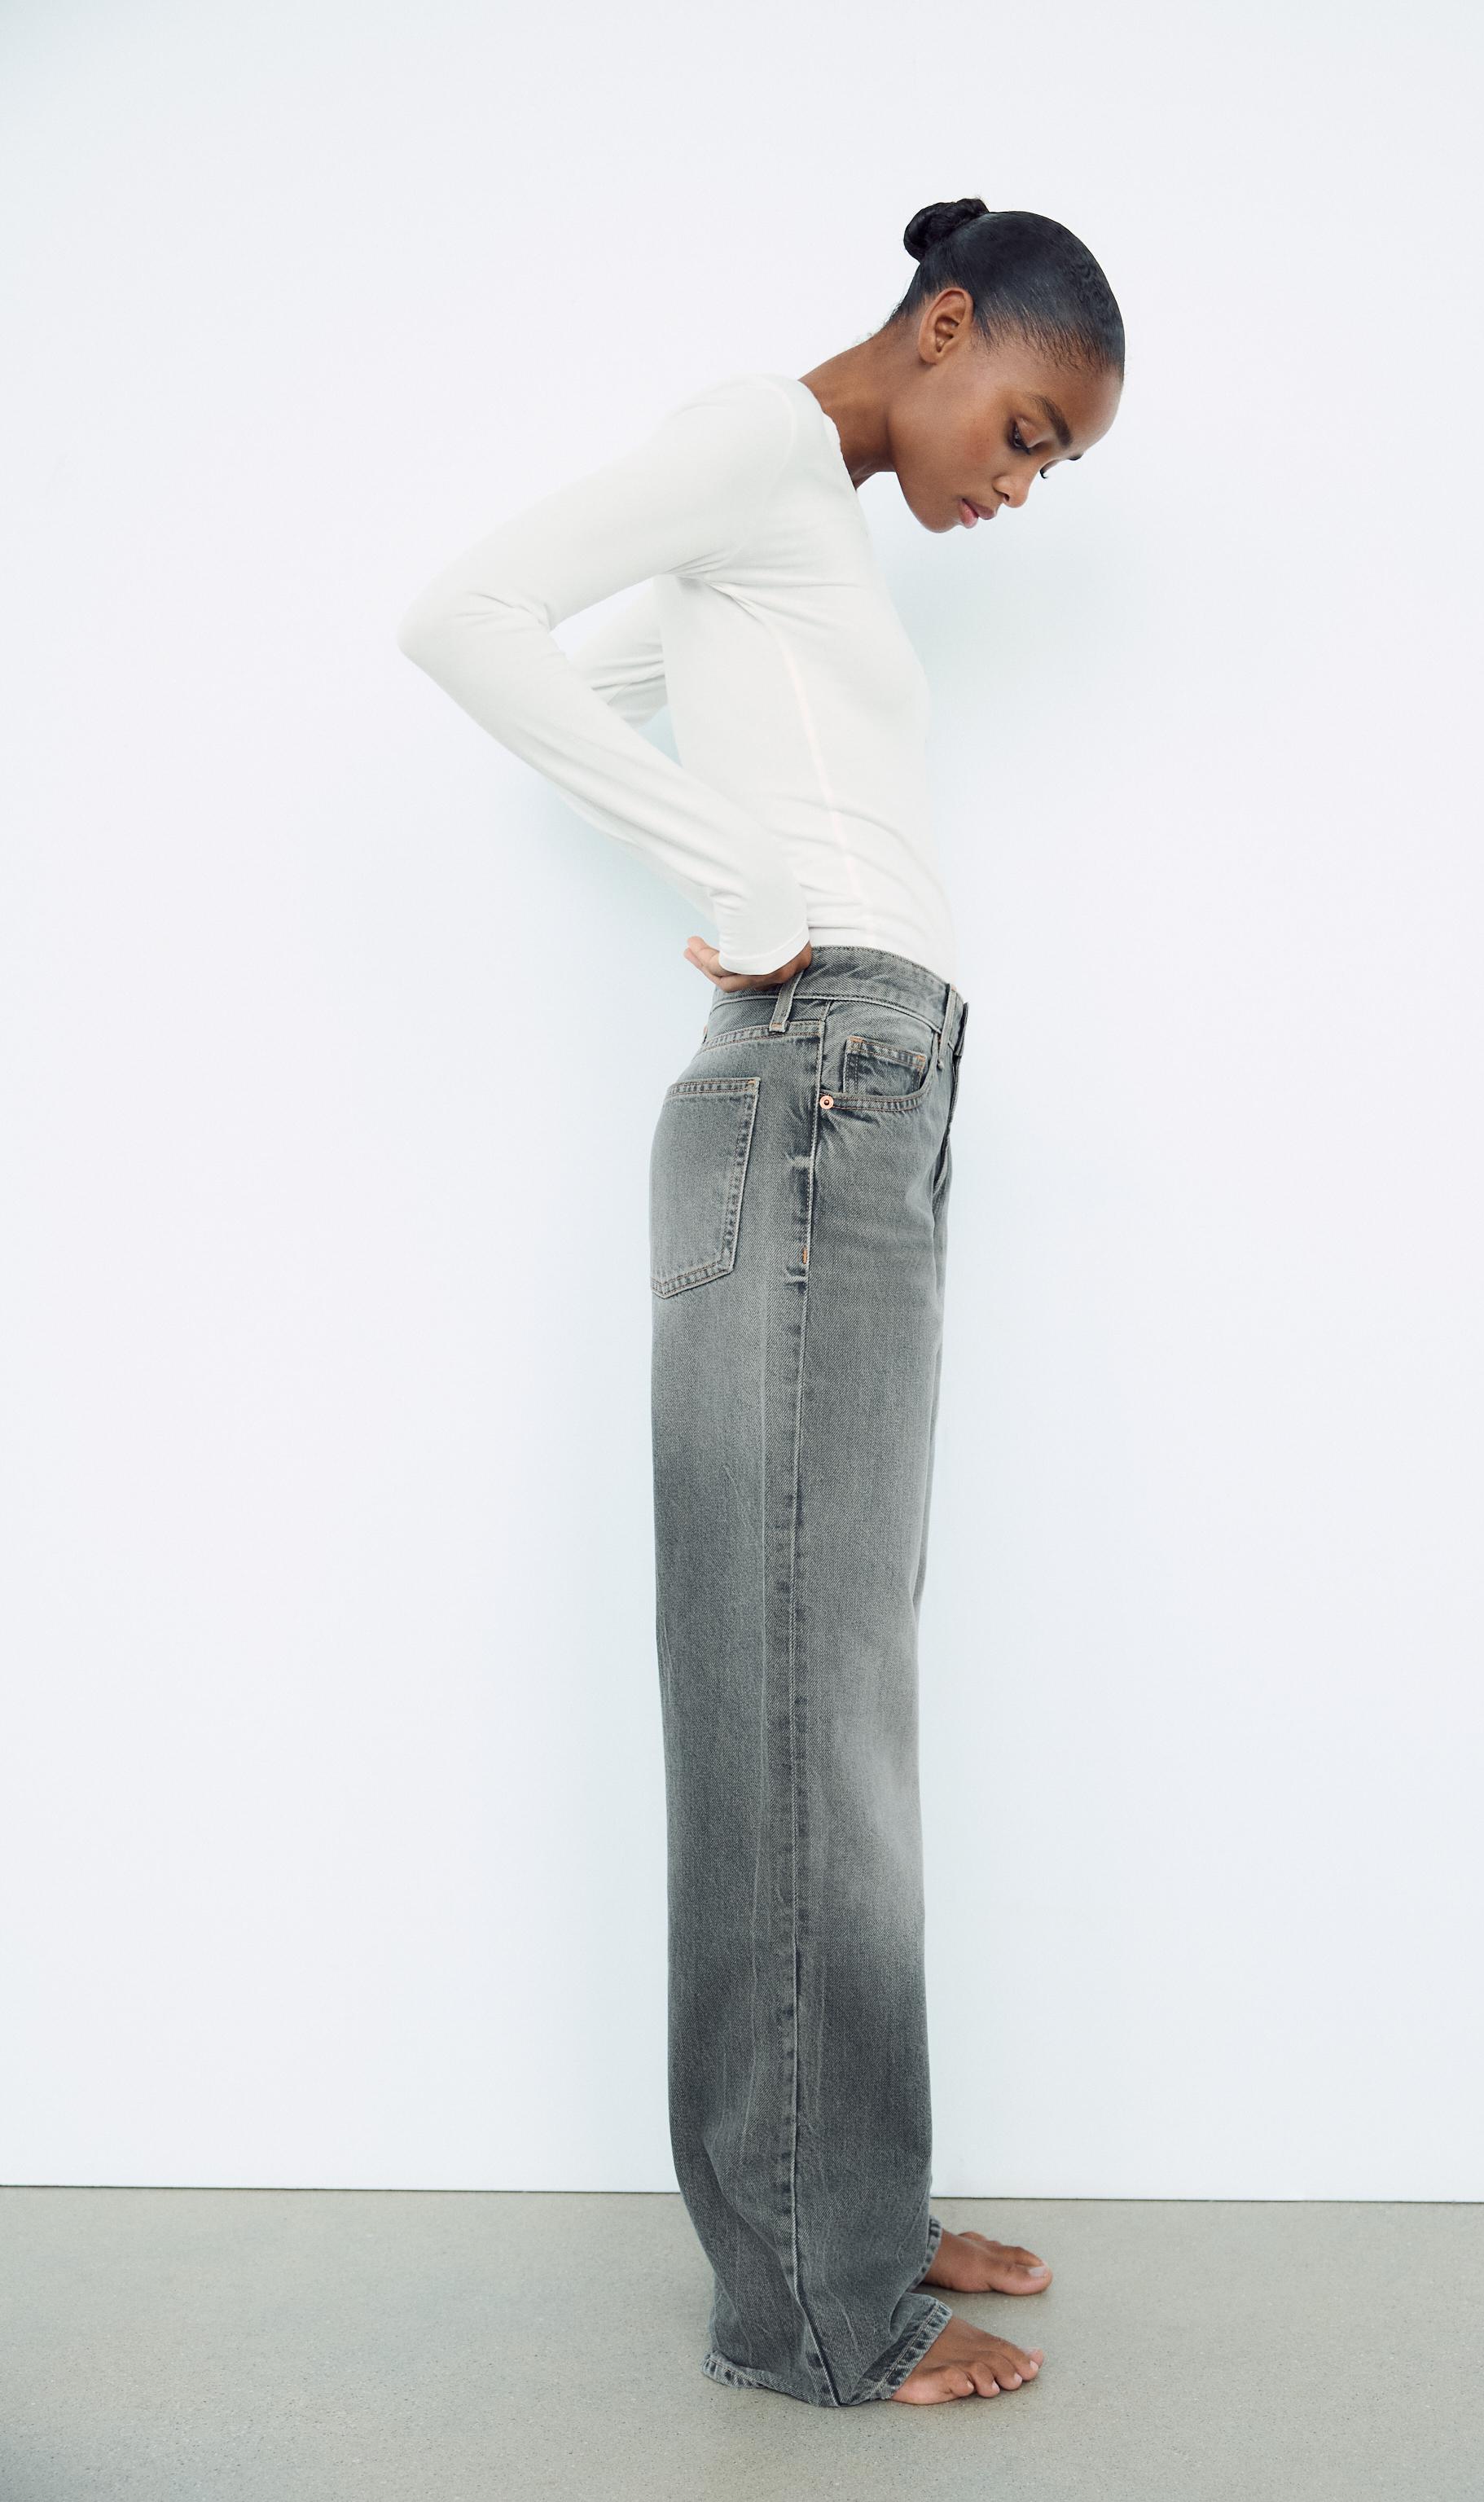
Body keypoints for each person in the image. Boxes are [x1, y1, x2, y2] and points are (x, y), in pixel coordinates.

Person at [396, 196, 1124, 2406]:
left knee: (834, 1691)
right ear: (942, 325)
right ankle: (815, 2300)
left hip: (859, 1092)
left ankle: (853, 2202)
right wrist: (726, 865)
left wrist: (715, 813)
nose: (1021, 482)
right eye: (1028, 427)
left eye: (1055, 463)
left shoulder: (791, 535)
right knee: (795, 1699)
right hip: (819, 1078)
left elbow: (623, 675)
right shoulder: (751, 441)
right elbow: (464, 617)